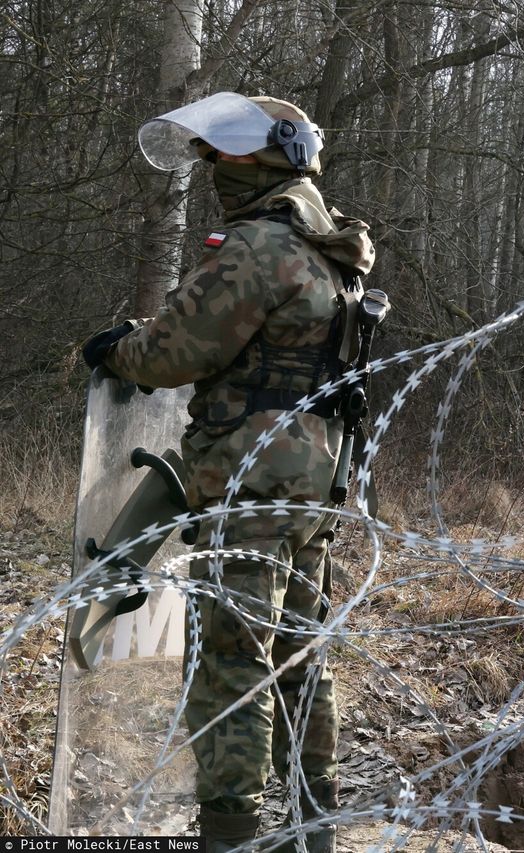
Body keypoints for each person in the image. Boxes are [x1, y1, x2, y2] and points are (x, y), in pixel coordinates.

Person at [81, 92, 376, 851]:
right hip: (314, 475)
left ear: (267, 159)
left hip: (252, 472)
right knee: (300, 648)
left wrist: (117, 349)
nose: (214, 166)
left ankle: (231, 832)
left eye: (227, 153)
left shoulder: (260, 244)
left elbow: (176, 351)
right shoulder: (326, 244)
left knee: (232, 657)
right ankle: (315, 823)